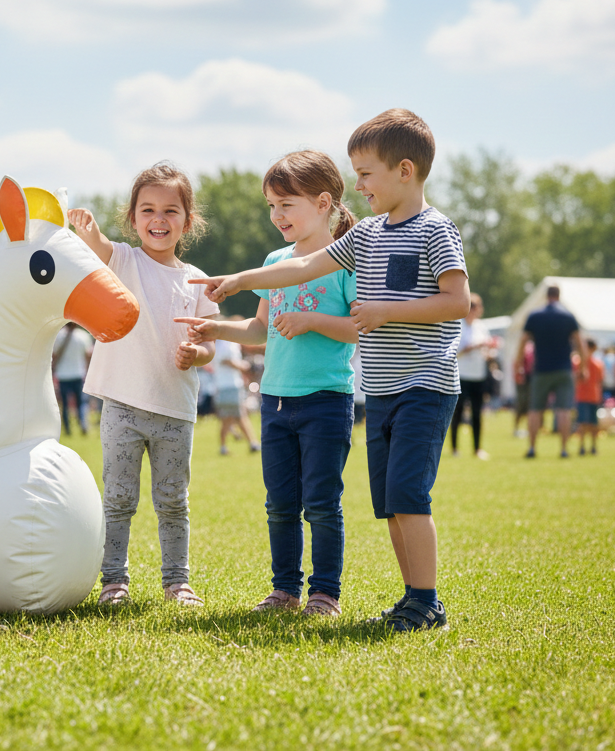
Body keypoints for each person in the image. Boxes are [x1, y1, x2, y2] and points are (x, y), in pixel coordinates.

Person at [193, 109, 469, 632]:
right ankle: (413, 599)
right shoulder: (366, 235)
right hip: (383, 390)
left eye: (365, 174)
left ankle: (427, 600)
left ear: (404, 171)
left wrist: (388, 311)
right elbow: (300, 267)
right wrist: (238, 279)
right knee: (391, 503)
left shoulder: (436, 230)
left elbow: (458, 301)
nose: (357, 184)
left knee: (409, 496)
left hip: (424, 385)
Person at [179, 149, 358, 617]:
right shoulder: (275, 261)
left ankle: (324, 594)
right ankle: (285, 591)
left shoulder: (346, 258)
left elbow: (360, 328)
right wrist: (218, 329)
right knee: (280, 505)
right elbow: (261, 331)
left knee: (321, 503)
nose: (276, 215)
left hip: (326, 399)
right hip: (275, 402)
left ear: (323, 203)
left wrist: (314, 319)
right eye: (271, 206)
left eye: (286, 204)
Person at [68, 163, 218, 608]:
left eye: (170, 211)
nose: (159, 219)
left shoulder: (197, 280)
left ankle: (177, 582)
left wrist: (198, 354)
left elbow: (210, 343)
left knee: (173, 500)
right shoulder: (124, 260)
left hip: (175, 410)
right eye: (147, 209)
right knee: (117, 498)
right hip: (123, 406)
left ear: (188, 222)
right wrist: (87, 228)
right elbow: (96, 247)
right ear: (132, 219)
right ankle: (114, 580)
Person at [515, 286, 587, 459]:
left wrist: (518, 364)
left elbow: (523, 342)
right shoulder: (568, 316)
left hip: (541, 370)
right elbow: (580, 344)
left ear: (546, 296)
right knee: (563, 409)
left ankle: (532, 448)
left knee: (535, 410)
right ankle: (563, 449)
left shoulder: (535, 316)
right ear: (559, 296)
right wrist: (583, 367)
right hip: (564, 369)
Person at [451, 293, 493, 460]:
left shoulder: (481, 327)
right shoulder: (458, 325)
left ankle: (477, 448)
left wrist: (490, 352)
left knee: (477, 413)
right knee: (458, 412)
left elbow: (487, 349)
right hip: (462, 374)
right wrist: (474, 346)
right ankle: (454, 448)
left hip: (478, 375)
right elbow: (456, 351)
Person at [211, 333, 259, 456]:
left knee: (232, 417)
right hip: (229, 386)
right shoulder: (227, 344)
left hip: (225, 385)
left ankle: (246, 443)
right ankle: (251, 443)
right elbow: (227, 360)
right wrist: (243, 366)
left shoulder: (219, 344)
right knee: (235, 416)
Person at [52, 322, 93, 436]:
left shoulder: (58, 335)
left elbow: (54, 354)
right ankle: (83, 425)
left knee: (64, 405)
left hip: (62, 374)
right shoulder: (83, 335)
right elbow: (87, 355)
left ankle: (67, 430)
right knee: (81, 402)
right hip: (79, 373)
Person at [574, 339, 605, 455]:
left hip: (593, 397)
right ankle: (582, 446)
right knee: (582, 423)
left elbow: (600, 382)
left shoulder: (597, 364)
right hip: (582, 397)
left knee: (593, 424)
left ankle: (593, 446)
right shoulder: (577, 363)